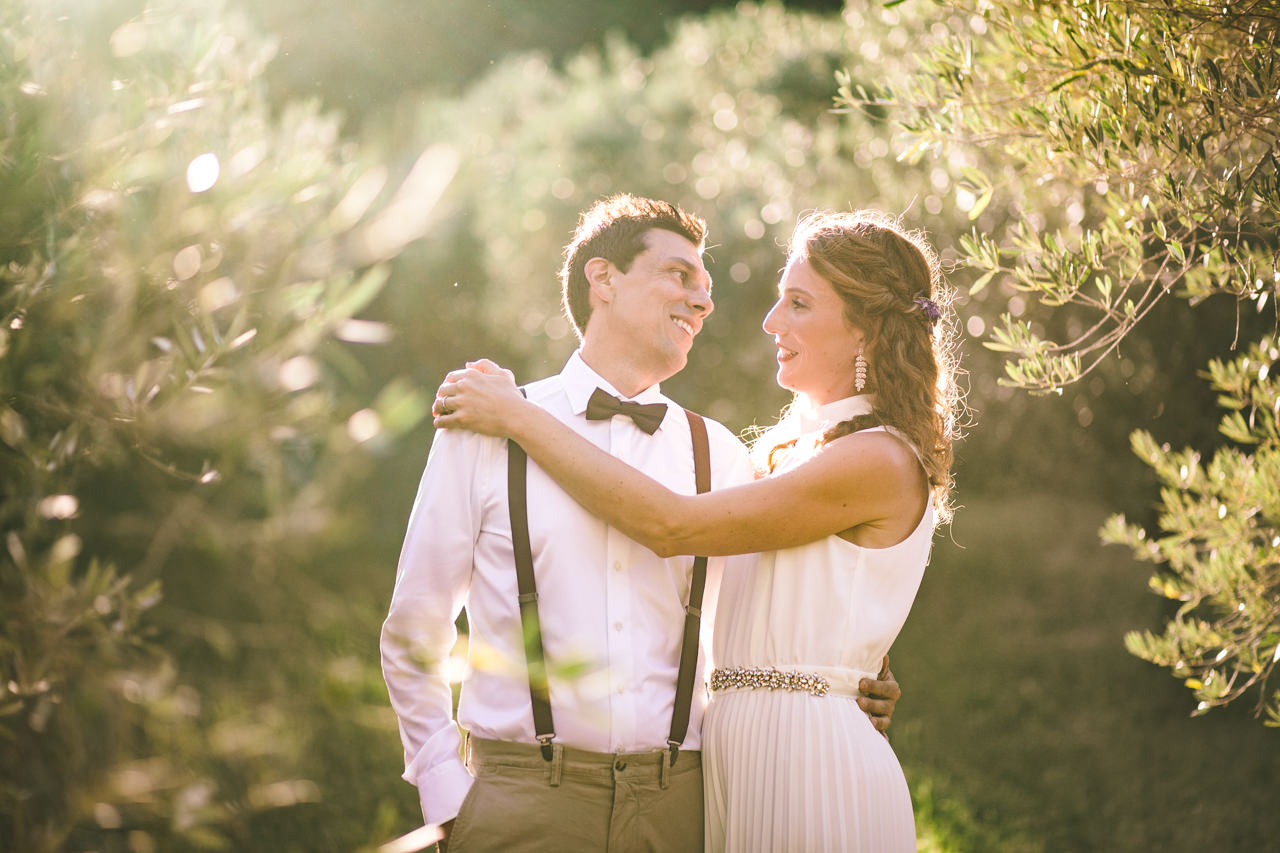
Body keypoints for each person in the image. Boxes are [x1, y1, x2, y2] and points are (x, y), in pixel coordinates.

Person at [382, 195, 903, 853]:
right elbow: (413, 629)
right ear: (604, 279)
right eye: (679, 275)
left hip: (682, 805)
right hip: (520, 802)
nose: (703, 301)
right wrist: (448, 796)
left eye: (706, 288)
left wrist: (855, 670)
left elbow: (769, 605)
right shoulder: (484, 425)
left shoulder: (724, 454)